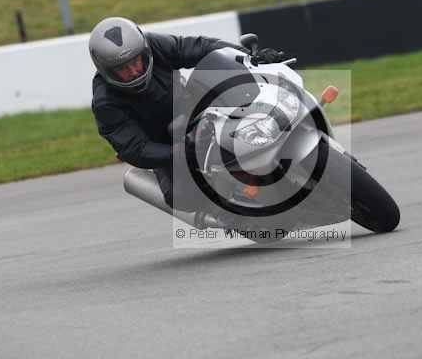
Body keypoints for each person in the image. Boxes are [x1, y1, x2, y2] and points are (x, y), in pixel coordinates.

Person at [89, 17, 285, 226]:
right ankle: (223, 211)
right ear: (107, 70)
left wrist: (248, 57)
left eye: (135, 61)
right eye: (123, 68)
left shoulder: (155, 45)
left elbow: (202, 47)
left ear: (144, 52)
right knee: (181, 196)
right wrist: (178, 152)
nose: (133, 71)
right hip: (165, 143)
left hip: (191, 109)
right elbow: (135, 148)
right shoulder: (105, 103)